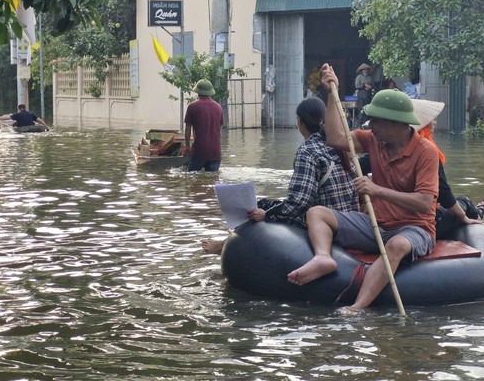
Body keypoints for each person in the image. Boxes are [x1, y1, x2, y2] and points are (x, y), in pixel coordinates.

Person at [287, 64, 439, 313]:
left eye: (376, 122)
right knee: (317, 212)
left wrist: (377, 190)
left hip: (415, 228)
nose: (371, 127)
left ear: (396, 124)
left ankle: (357, 307)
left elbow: (424, 202)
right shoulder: (374, 141)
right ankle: (323, 257)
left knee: (397, 245)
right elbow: (335, 138)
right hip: (377, 223)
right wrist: (330, 93)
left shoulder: (426, 152)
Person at [201, 97, 360, 255]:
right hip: (348, 222)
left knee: (256, 208)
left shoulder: (308, 151)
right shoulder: (341, 146)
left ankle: (225, 246)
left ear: (300, 122)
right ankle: (227, 242)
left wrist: (267, 215)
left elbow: (299, 202)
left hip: (324, 223)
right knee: (264, 205)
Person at [410, 99, 484, 237]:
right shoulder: (426, 150)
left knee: (460, 203)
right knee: (465, 202)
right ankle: (483, 224)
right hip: (427, 221)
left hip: (411, 216)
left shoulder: (397, 146)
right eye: (432, 119)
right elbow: (443, 192)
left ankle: (478, 217)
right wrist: (462, 216)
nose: (435, 122)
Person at [184, 79, 224, 172]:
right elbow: (219, 128)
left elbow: (187, 129)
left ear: (197, 92)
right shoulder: (218, 107)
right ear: (210, 92)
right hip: (215, 152)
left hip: (199, 151)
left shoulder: (192, 106)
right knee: (212, 181)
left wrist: (187, 146)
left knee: (193, 180)